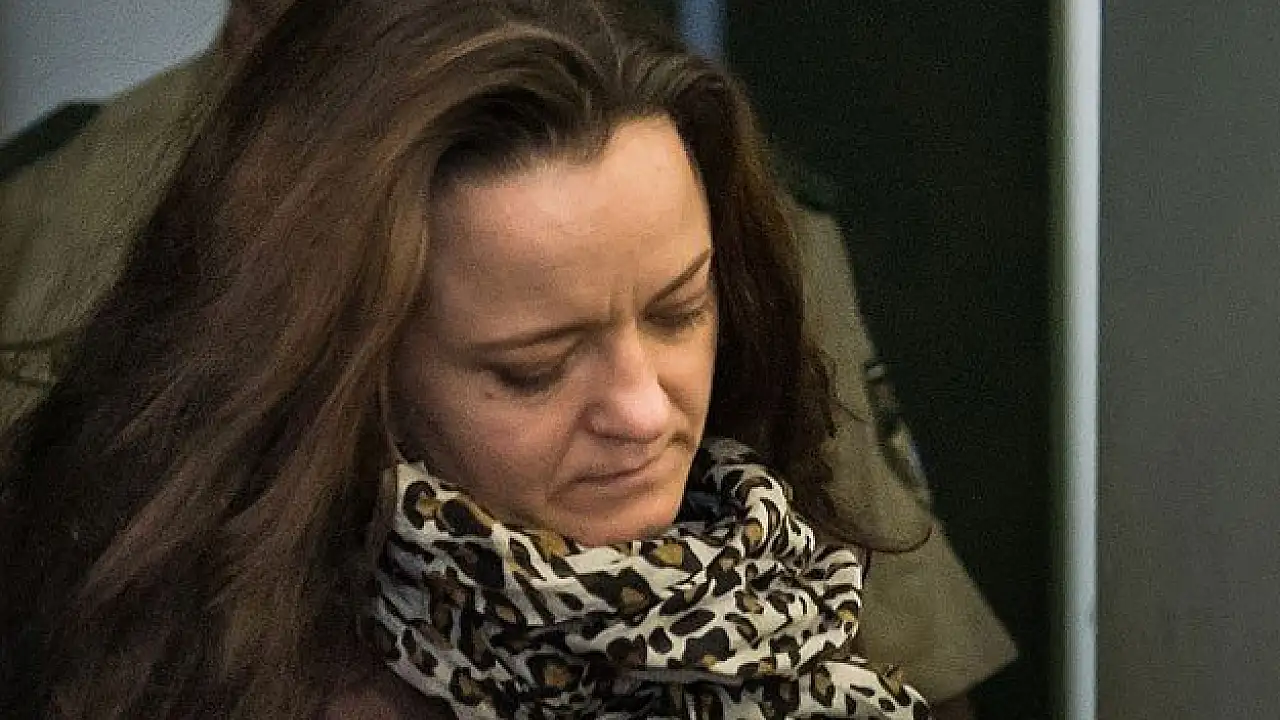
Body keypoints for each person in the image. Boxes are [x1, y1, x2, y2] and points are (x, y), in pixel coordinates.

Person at [0, 1, 1015, 717]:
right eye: (533, 369)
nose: (643, 411)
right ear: (351, 384)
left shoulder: (797, 591)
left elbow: (919, 649)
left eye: (680, 312)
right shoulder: (225, 657)